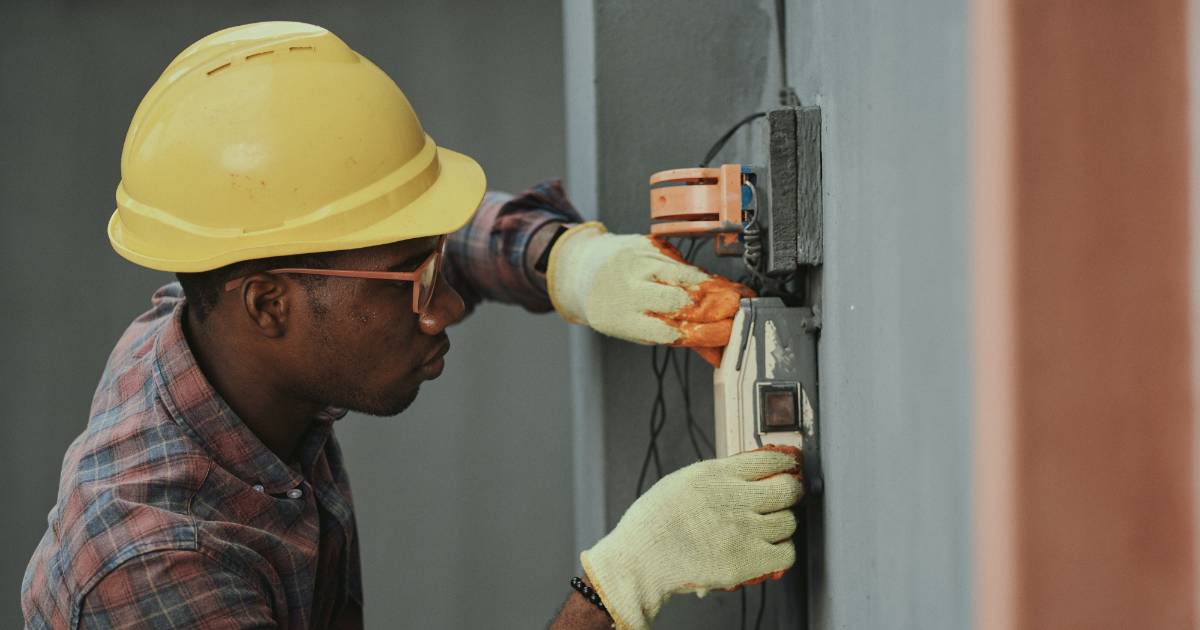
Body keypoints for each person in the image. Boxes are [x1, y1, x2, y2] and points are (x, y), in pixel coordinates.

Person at [21, 22, 803, 630]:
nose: (441, 308)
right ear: (268, 305)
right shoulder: (158, 569)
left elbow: (383, 244)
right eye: (412, 281)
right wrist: (615, 590)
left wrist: (563, 259)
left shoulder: (217, 315)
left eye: (432, 264)